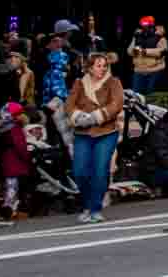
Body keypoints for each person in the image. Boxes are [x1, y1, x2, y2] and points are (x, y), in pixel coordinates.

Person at [64, 51, 123, 224]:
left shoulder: (113, 82)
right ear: (89, 68)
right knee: (79, 171)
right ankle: (87, 205)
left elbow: (117, 103)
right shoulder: (79, 83)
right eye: (98, 65)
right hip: (83, 133)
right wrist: (78, 116)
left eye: (105, 65)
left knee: (100, 170)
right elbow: (69, 104)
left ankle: (95, 208)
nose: (102, 69)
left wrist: (97, 116)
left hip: (106, 131)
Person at [126, 17, 168, 96]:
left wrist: (146, 51)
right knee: (136, 96)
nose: (145, 28)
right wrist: (134, 50)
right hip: (139, 71)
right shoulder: (137, 36)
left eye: (147, 26)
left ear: (152, 26)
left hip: (154, 71)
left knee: (152, 96)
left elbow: (162, 52)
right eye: (143, 26)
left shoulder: (160, 37)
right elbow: (129, 51)